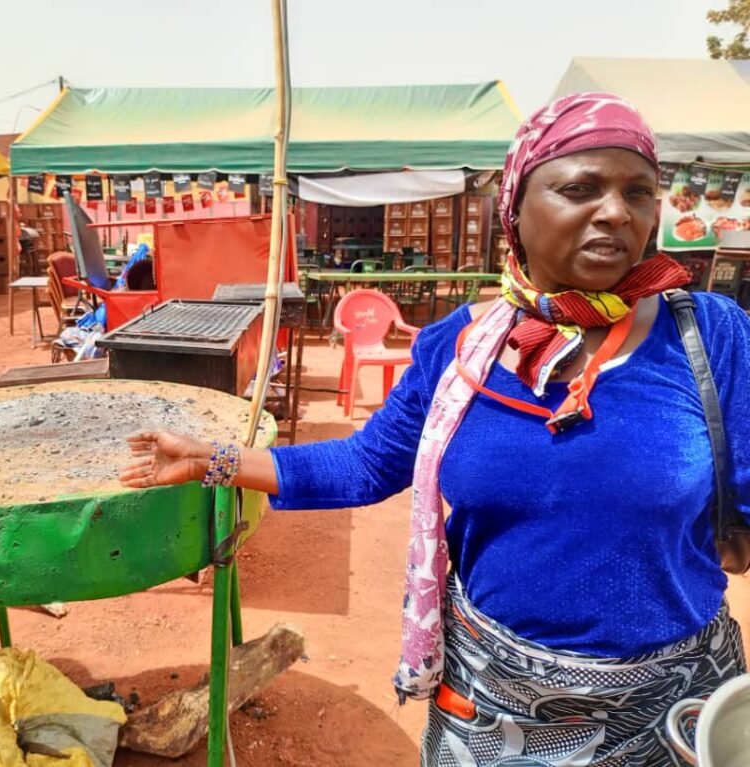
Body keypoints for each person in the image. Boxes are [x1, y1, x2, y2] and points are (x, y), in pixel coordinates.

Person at [120, 93, 750, 766]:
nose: (617, 211)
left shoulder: (709, 337)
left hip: (667, 706)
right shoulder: (457, 348)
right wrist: (213, 459)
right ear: (514, 207)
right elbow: (366, 465)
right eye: (581, 187)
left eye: (640, 192)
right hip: (494, 705)